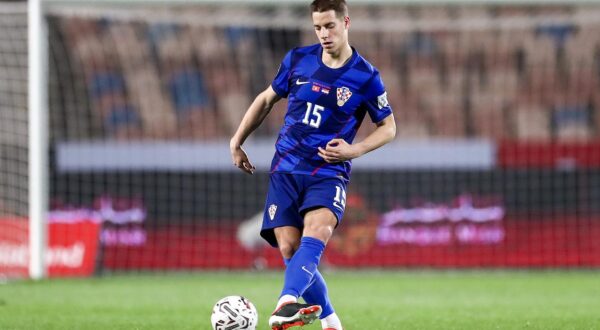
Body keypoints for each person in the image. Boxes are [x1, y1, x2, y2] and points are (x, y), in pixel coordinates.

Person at [229, 1, 396, 329]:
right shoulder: (297, 60)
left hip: (327, 172)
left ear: (345, 22)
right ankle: (332, 322)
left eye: (330, 26)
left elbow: (389, 127)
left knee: (317, 232)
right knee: (290, 248)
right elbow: (265, 99)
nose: (324, 34)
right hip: (286, 169)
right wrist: (237, 141)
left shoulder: (365, 75)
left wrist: (355, 150)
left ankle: (285, 303)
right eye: (318, 27)